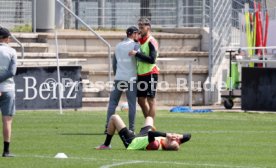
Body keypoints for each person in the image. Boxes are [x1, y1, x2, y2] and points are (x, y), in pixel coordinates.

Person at [104, 26, 140, 133]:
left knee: (113, 103)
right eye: (137, 33)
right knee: (132, 104)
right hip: (131, 78)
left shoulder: (118, 46)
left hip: (119, 78)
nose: (138, 35)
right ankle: (131, 129)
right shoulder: (136, 45)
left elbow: (114, 64)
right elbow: (139, 60)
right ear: (133, 34)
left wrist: (117, 75)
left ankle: (107, 127)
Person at [96, 114, 191, 150]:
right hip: (143, 137)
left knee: (114, 117)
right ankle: (134, 131)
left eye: (173, 139)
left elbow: (151, 134)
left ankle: (106, 145)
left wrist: (167, 134)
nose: (175, 138)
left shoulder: (155, 145)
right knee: (149, 118)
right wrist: (178, 137)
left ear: (168, 142)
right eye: (178, 140)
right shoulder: (170, 142)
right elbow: (188, 136)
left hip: (132, 141)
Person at [129, 18, 159, 119]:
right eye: (139, 27)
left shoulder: (152, 41)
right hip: (141, 74)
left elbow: (152, 60)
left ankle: (149, 127)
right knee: (141, 100)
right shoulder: (139, 41)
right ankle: (149, 125)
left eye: (142, 27)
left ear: (148, 27)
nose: (140, 30)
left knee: (151, 100)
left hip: (150, 73)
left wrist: (137, 54)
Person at [0, 27, 17, 157]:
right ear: (5, 38)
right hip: (7, 89)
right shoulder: (11, 51)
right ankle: (6, 151)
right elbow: (11, 72)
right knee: (7, 120)